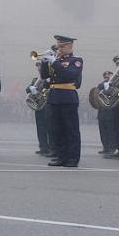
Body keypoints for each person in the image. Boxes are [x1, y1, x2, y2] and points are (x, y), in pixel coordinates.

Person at [40, 35, 83, 167]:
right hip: (54, 97)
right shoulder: (57, 60)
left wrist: (54, 62)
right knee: (56, 130)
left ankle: (72, 158)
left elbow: (69, 74)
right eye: (58, 46)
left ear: (70, 46)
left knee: (71, 129)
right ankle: (61, 156)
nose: (59, 49)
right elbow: (45, 76)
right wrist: (44, 63)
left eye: (61, 46)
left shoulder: (76, 60)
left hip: (67, 97)